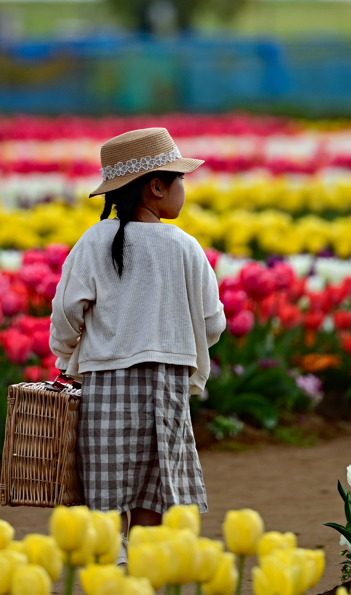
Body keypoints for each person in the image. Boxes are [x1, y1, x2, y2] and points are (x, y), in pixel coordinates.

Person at [49, 127, 226, 564]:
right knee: (153, 486)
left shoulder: (95, 241)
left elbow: (68, 311)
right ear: (157, 185)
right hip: (164, 386)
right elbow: (212, 321)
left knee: (106, 488)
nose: (184, 189)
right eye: (180, 179)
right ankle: (140, 583)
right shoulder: (185, 247)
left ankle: (109, 579)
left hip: (106, 386)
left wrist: (65, 355)